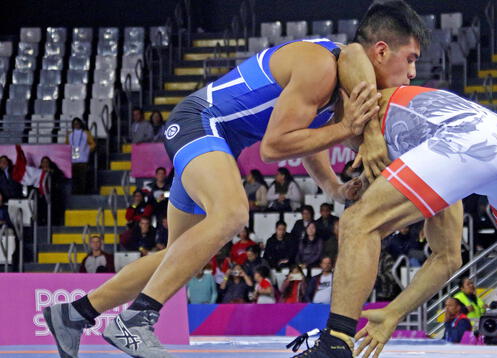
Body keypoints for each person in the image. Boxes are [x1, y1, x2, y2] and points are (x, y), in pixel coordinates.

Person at [45, 0, 414, 353]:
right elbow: (273, 148)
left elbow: (307, 139)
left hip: (215, 141)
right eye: (410, 59)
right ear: (380, 51)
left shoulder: (339, 88)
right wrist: (346, 127)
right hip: (201, 122)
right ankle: (136, 321)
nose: (412, 72)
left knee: (177, 258)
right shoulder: (322, 65)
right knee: (232, 213)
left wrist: (333, 186)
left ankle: (73, 315)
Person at [294, 33, 497, 358]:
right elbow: (447, 257)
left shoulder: (363, 108)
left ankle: (336, 343)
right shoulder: (430, 161)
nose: (357, 166)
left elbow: (350, 55)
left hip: (469, 142)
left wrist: (364, 143)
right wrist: (393, 313)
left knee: (357, 220)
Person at [66, 117, 95, 195]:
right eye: (74, 124)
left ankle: (82, 193)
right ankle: (76, 193)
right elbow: (66, 145)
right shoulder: (70, 134)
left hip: (83, 158)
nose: (76, 125)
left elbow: (92, 144)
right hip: (73, 158)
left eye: (77, 123)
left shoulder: (86, 133)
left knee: (83, 177)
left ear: (80, 124)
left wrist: (87, 150)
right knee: (75, 178)